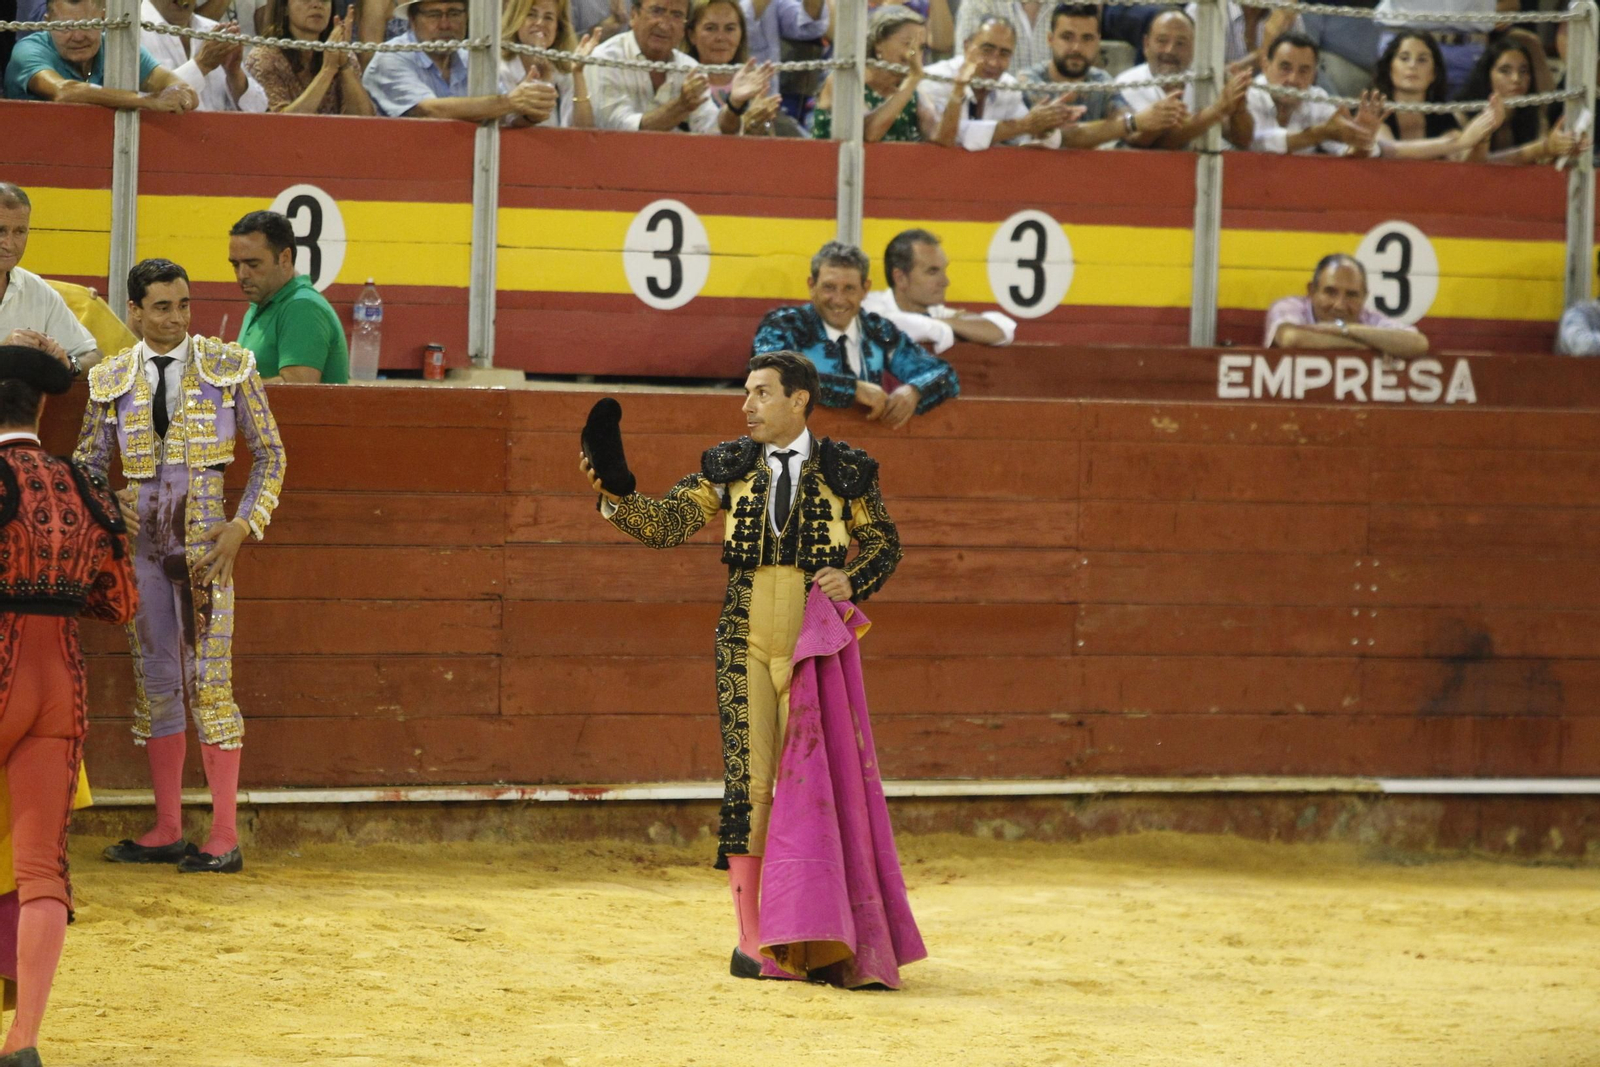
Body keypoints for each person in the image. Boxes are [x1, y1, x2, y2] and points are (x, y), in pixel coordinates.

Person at [577, 351, 916, 984]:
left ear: (799, 401)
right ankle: (754, 940)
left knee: (821, 783)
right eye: (747, 393)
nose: (747, 406)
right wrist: (620, 497)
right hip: (744, 635)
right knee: (750, 785)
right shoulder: (727, 466)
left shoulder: (847, 469)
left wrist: (856, 576)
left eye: (761, 394)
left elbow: (885, 542)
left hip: (817, 642)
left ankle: (824, 934)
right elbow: (670, 524)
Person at [75, 258, 286, 878]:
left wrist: (244, 526)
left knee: (210, 685)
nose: (175, 318)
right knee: (159, 682)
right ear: (134, 311)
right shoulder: (111, 377)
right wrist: (109, 500)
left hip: (205, 552)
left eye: (184, 304)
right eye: (161, 307)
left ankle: (223, 834)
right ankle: (168, 827)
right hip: (141, 554)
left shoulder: (230, 366)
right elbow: (87, 464)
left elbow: (271, 456)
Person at [0, 338, 137, 1067]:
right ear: (43, 405)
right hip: (61, 679)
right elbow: (120, 602)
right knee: (43, 869)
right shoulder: (84, 486)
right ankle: (23, 1040)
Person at [753, 241, 959, 428]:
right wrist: (853, 390)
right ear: (811, 286)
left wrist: (915, 391)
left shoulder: (878, 330)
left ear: (865, 289)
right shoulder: (785, 325)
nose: (839, 299)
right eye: (829, 287)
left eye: (849, 288)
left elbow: (943, 374)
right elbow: (770, 373)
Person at [588, 0, 777, 133]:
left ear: (684, 26)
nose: (665, 24)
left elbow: (713, 131)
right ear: (634, 15)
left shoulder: (688, 67)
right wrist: (681, 106)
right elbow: (617, 129)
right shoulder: (605, 59)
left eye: (677, 15)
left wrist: (734, 105)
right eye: (657, 10)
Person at [1019, 3, 1186, 149]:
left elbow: (1132, 134)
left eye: (1087, 38)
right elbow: (1060, 138)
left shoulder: (1101, 82)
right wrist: (1134, 122)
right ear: (1050, 39)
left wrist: (1160, 118)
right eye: (1067, 37)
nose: (1076, 47)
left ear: (1098, 41)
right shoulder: (1029, 81)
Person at [362, 0, 557, 122]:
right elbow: (428, 111)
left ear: (466, 17)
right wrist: (511, 102)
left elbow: (505, 116)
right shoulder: (390, 58)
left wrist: (531, 111)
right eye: (434, 14)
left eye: (454, 13)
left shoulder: (472, 58)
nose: (445, 24)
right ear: (412, 19)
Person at [4, 0, 200, 110]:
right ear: (47, 23)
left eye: (89, 25)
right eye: (66, 27)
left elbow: (178, 86)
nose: (78, 36)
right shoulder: (28, 51)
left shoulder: (118, 47)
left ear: (104, 20)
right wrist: (148, 101)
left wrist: (181, 95)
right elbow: (64, 91)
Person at [228, 210, 351, 384]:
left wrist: (227, 386)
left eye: (253, 264)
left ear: (285, 258)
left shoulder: (303, 308)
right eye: (235, 264)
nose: (242, 274)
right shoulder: (261, 305)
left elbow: (296, 392)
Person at [923, 15, 1077, 149]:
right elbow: (950, 136)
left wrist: (1044, 128)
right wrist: (1025, 125)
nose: (994, 62)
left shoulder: (1008, 86)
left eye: (1004, 54)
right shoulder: (934, 78)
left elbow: (1023, 138)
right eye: (987, 49)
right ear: (966, 46)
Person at [1114, 7, 1253, 150]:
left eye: (1180, 43)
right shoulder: (1127, 83)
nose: (1170, 50)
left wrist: (1239, 108)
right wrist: (1217, 110)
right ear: (1146, 44)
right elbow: (1155, 143)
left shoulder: (1204, 80)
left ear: (1194, 48)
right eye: (1162, 41)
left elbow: (1242, 141)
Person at [0, 183, 101, 376]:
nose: (9, 244)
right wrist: (7, 355)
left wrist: (68, 364)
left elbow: (94, 357)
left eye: (19, 232)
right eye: (0, 231)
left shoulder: (36, 289)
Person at [862, 228, 1015, 353]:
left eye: (943, 270)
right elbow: (888, 324)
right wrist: (949, 329)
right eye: (932, 271)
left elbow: (1003, 330)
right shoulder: (867, 307)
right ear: (901, 278)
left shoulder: (936, 312)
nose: (945, 282)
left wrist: (940, 324)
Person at [1263, 253, 1428, 358]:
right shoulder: (1290, 306)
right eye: (1330, 292)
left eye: (1351, 295)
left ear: (1364, 297)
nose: (1340, 305)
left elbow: (1418, 344)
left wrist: (1343, 329)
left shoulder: (1368, 317)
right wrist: (1366, 347)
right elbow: (1291, 338)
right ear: (1311, 291)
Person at [1370, 30, 1501, 161]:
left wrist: (1484, 134)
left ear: (1434, 73)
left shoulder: (1441, 115)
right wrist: (1459, 143)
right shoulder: (1373, 108)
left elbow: (1465, 164)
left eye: (1422, 60)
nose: (1412, 65)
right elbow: (1387, 151)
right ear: (1389, 68)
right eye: (1404, 58)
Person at [1456, 34, 1585, 166]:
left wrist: (1563, 149)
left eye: (1523, 71)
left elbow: (1543, 165)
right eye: (1505, 71)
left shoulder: (1536, 117)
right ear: (1487, 75)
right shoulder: (1462, 115)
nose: (1516, 79)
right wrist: (1543, 148)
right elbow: (1472, 167)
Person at [812, 4, 935, 141]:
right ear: (879, 43)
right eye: (908, 44)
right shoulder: (842, 80)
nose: (914, 54)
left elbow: (939, 138)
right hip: (832, 161)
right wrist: (912, 81)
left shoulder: (912, 90)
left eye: (921, 47)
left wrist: (959, 90)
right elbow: (869, 134)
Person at [1246, 32, 1378, 156]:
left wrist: (1362, 141)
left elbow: (1346, 151)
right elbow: (1255, 142)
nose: (1293, 79)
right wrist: (1320, 133)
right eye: (1285, 68)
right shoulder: (1251, 93)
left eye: (1303, 71)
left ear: (1314, 75)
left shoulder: (1317, 99)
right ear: (1265, 66)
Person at [246, 0, 377, 114]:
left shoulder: (343, 54)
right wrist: (328, 70)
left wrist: (344, 66)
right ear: (284, 8)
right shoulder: (263, 57)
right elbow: (281, 126)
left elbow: (365, 121)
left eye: (324, 0)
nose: (317, 4)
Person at [140, 0, 267, 112]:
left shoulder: (212, 29)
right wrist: (201, 65)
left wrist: (234, 73)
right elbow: (142, 103)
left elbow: (259, 108)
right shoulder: (133, 30)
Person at [685, 0, 790, 134]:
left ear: (741, 34)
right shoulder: (682, 77)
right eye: (710, 28)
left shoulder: (753, 80)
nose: (721, 37)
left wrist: (761, 124)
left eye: (730, 29)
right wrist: (743, 123)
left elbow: (766, 138)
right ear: (691, 35)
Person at [499, 0, 600, 128]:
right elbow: (512, 125)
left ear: (558, 29)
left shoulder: (564, 72)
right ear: (516, 20)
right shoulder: (500, 68)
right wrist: (541, 81)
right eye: (531, 14)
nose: (540, 23)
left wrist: (578, 74)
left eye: (548, 17)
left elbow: (584, 131)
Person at [953, 0, 1052, 71]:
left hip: (1059, 98)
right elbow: (965, 65)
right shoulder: (978, 3)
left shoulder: (1065, 4)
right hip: (994, 98)